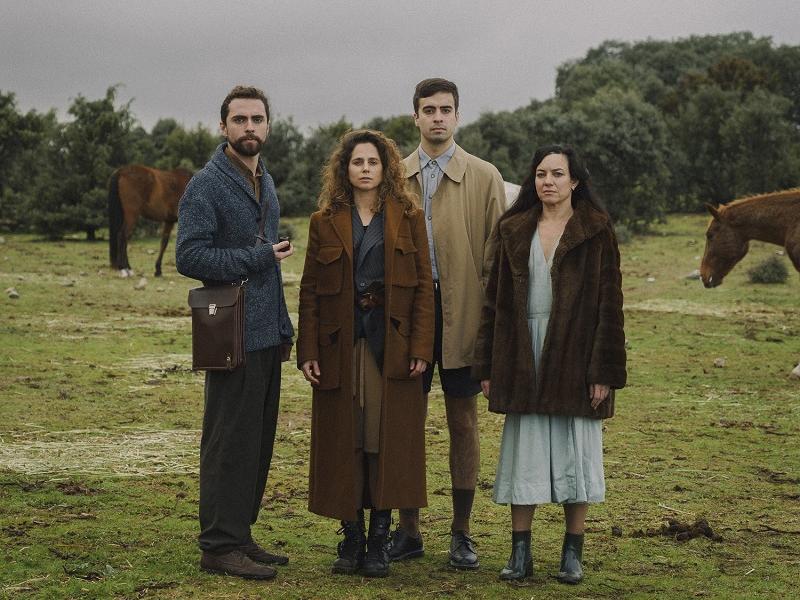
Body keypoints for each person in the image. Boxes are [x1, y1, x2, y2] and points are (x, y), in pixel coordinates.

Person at [472, 145, 627, 583]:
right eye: (540, 173)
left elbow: (609, 305)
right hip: (522, 352)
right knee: (525, 453)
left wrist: (603, 372)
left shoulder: (596, 230)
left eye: (557, 174)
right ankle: (520, 552)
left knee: (575, 453)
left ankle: (571, 553)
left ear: (575, 180)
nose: (548, 182)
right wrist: (488, 363)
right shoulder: (513, 228)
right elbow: (495, 302)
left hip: (577, 355)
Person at [297, 129, 434, 578]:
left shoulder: (409, 216)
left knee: (383, 440)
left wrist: (420, 347)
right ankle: (350, 536)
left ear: (386, 168)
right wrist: (308, 350)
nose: (365, 169)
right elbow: (311, 291)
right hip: (340, 347)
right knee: (345, 439)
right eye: (357, 162)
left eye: (373, 162)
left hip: (389, 346)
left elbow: (423, 292)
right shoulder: (325, 220)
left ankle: (380, 537)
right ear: (345, 168)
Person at [176, 85, 294, 581]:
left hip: (265, 331)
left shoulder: (263, 180)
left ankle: (240, 533)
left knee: (257, 439)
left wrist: (284, 325)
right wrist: (257, 257)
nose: (250, 127)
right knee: (228, 439)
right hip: (228, 330)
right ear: (223, 127)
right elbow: (190, 256)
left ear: (268, 126)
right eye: (240, 119)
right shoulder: (206, 185)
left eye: (258, 119)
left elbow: (269, 259)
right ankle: (218, 545)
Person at [389, 78, 506, 570]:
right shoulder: (394, 175)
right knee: (404, 422)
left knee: (463, 421)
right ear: (414, 116)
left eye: (446, 109)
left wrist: (492, 327)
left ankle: (461, 532)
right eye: (428, 109)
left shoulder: (484, 176)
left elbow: (497, 259)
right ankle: (409, 528)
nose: (437, 117)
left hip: (466, 315)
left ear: (458, 116)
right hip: (409, 316)